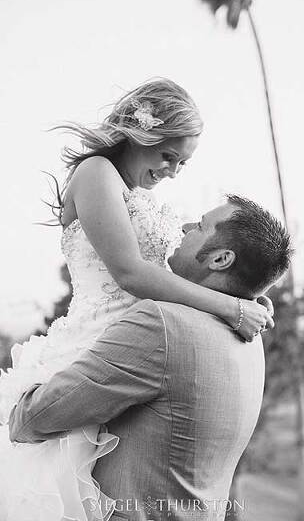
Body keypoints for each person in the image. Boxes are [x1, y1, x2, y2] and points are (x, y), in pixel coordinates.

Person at [0, 79, 273, 520]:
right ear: (141, 133)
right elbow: (130, 273)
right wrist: (228, 307)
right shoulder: (95, 174)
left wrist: (252, 296)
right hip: (92, 344)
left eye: (183, 163)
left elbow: (195, 270)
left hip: (139, 344)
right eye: (169, 156)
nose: (172, 171)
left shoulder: (135, 193)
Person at [8, 195, 293, 521]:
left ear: (220, 259)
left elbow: (34, 418)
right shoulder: (250, 339)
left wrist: (25, 384)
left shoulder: (162, 325)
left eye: (200, 226)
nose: (185, 227)